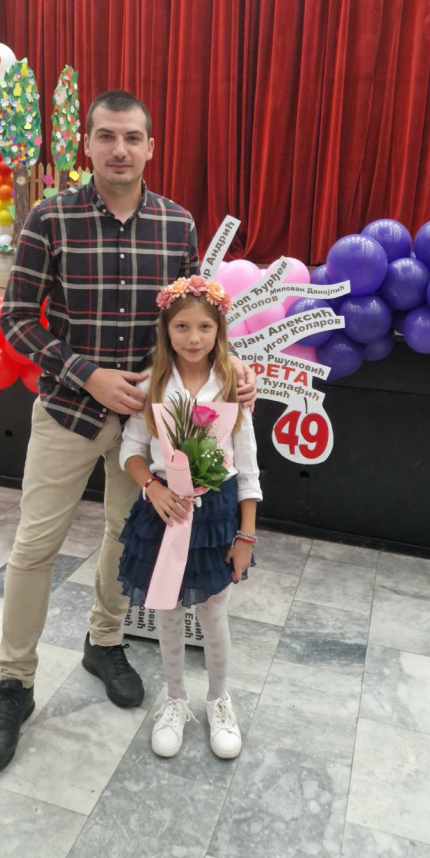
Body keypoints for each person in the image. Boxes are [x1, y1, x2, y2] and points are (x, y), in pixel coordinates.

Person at [0, 90, 257, 774]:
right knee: (34, 546)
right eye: (106, 136)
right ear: (88, 145)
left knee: (125, 536)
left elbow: (194, 320)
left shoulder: (176, 224)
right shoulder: (50, 218)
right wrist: (87, 374)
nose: (119, 150)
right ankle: (14, 684)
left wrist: (235, 366)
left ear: (151, 147)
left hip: (152, 427)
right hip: (69, 412)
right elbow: (17, 318)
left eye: (132, 138)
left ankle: (104, 643)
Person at [118, 276, 261, 760]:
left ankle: (219, 699)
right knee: (168, 611)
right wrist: (152, 486)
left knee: (214, 612)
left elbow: (248, 466)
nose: (193, 338)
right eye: (181, 327)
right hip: (164, 509)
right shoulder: (153, 383)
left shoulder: (233, 385)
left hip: (216, 512)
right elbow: (131, 449)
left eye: (204, 327)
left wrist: (246, 534)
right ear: (166, 329)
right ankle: (175, 698)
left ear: (219, 330)